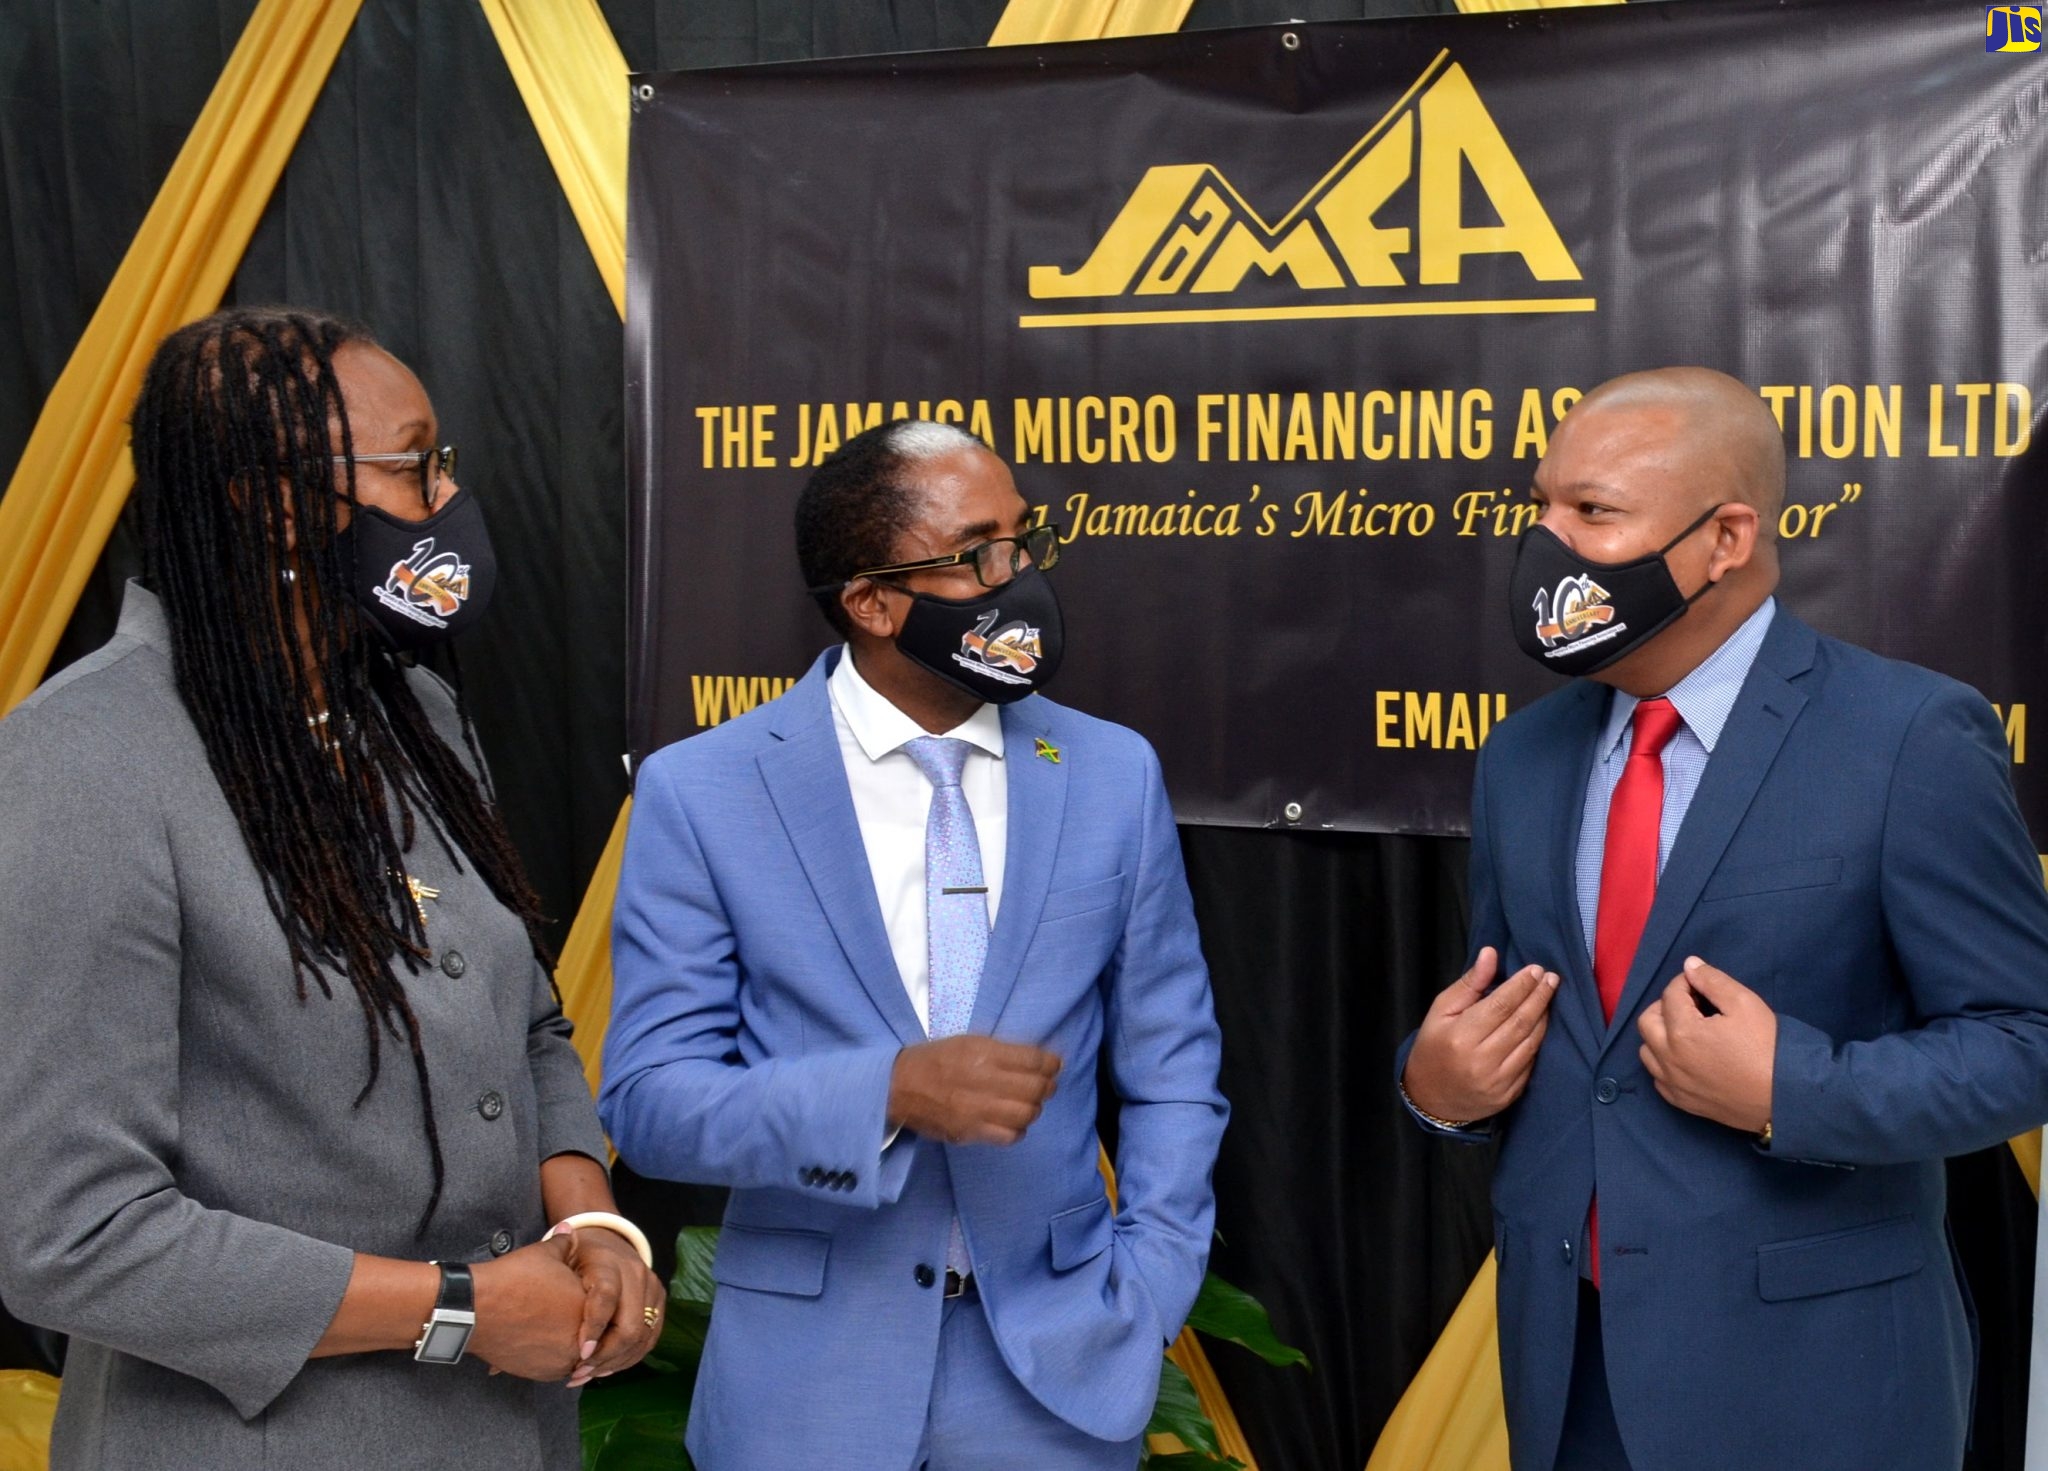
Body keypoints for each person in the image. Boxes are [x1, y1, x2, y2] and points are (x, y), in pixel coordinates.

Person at [0, 307, 663, 1470]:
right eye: (413, 467)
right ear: (269, 496)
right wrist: (458, 1306)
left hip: (511, 1436)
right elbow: (67, 1236)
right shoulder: (80, 763)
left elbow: (525, 1019)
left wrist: (588, 1218)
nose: (446, 499)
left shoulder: (421, 720)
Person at [1397, 367, 2048, 1471]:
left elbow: (2024, 1041)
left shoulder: (1907, 737)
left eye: (1590, 513)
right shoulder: (1522, 754)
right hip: (1569, 1373)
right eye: (1539, 505)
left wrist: (1787, 1092)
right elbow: (1522, 1027)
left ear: (1724, 538)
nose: (1542, 545)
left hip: (1817, 1386)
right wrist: (1437, 1091)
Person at [602, 419, 1228, 1471]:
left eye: (1022, 541)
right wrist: (884, 1092)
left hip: (1055, 1381)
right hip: (803, 1391)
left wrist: (1149, 1281)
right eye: (975, 554)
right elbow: (652, 1102)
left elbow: (1174, 1066)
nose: (1015, 576)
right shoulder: (702, 791)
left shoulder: (1112, 774)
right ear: (872, 601)